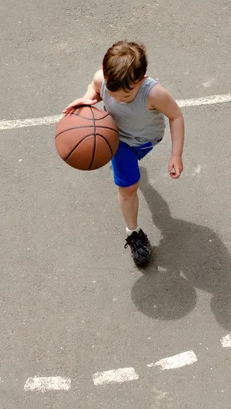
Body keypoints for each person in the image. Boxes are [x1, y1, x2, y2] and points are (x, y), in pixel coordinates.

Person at [63, 41, 184, 266]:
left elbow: (176, 116)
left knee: (136, 181)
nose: (118, 99)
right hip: (118, 141)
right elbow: (94, 86)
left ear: (141, 79)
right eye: (111, 92)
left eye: (126, 97)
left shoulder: (155, 93)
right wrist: (89, 98)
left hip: (147, 140)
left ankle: (134, 174)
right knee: (129, 188)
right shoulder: (102, 80)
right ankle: (133, 233)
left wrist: (176, 154)